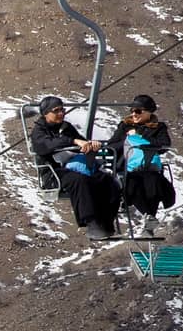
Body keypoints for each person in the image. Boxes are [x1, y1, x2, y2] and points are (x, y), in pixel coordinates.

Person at [29, 95, 121, 239]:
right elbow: (47, 146)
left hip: (75, 166)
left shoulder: (66, 128)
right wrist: (73, 141)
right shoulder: (39, 132)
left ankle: (107, 222)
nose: (61, 114)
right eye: (56, 111)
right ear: (46, 113)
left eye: (62, 110)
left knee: (108, 181)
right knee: (80, 181)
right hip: (54, 173)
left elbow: (82, 144)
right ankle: (91, 223)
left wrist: (91, 145)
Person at [104, 94, 175, 236]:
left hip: (148, 168)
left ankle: (149, 224)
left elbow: (164, 144)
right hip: (127, 168)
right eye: (132, 111)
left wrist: (140, 138)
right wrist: (128, 139)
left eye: (138, 111)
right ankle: (149, 218)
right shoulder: (125, 126)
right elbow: (112, 145)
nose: (134, 114)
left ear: (149, 112)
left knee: (153, 183)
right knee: (132, 184)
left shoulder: (158, 128)